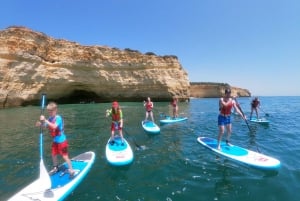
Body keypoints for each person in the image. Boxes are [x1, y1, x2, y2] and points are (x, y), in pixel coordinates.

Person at [36, 102, 75, 177]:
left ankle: (71, 170)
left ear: (55, 110)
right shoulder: (50, 118)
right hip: (55, 141)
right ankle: (55, 167)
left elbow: (54, 127)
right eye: (49, 111)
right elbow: (46, 125)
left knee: (64, 156)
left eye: (51, 111)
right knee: (53, 154)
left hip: (62, 141)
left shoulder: (58, 118)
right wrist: (41, 124)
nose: (50, 112)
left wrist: (45, 120)